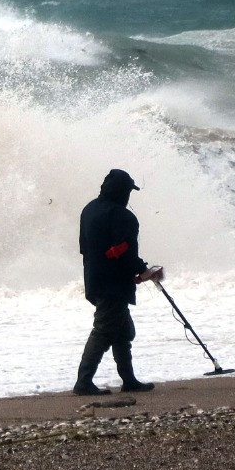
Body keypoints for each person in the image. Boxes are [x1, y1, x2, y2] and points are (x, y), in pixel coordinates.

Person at [74, 168, 164, 395]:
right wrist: (144, 271)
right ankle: (83, 382)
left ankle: (129, 380)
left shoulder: (88, 210)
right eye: (128, 191)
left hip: (94, 280)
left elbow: (86, 248)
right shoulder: (124, 217)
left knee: (122, 331)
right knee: (103, 331)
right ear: (123, 192)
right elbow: (124, 252)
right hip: (113, 284)